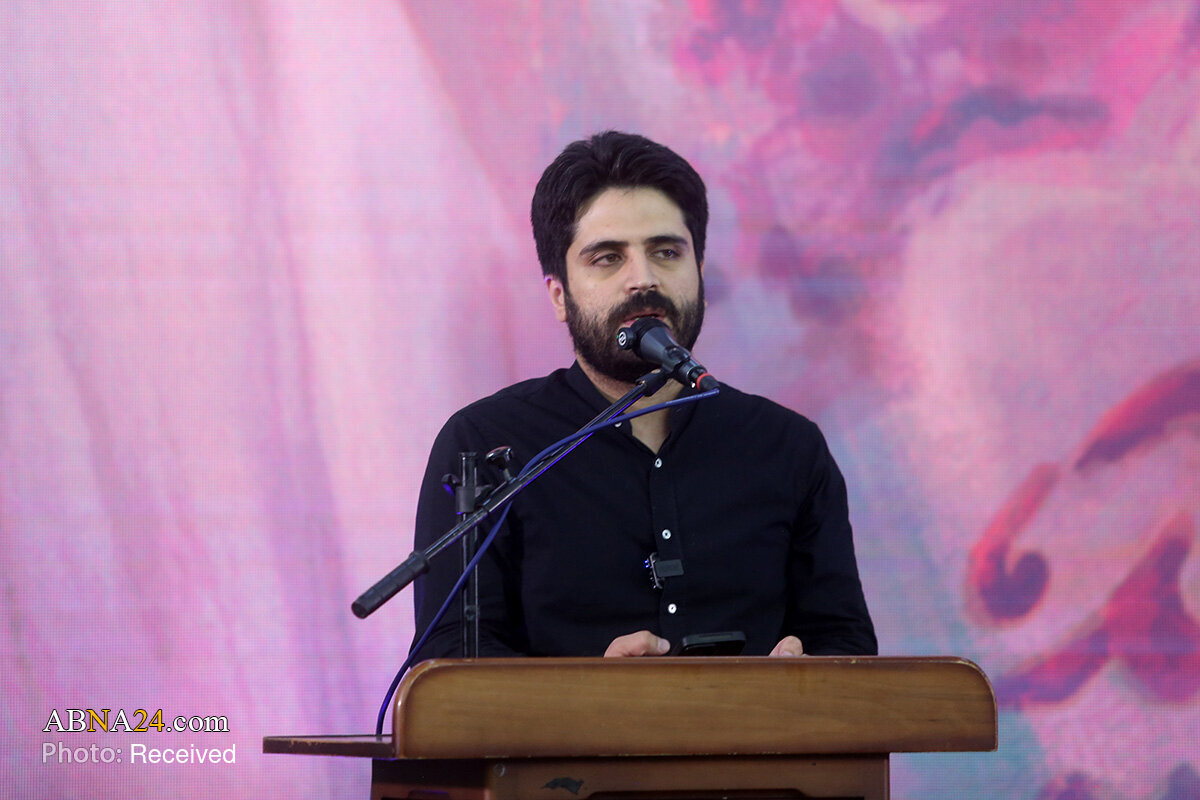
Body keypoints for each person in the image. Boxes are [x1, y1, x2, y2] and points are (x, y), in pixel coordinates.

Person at [410, 131, 876, 660]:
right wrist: (595, 696)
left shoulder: (788, 446)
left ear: (699, 275)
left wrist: (810, 672)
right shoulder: (487, 444)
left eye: (666, 252)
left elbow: (846, 642)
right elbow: (450, 661)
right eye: (608, 258)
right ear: (559, 296)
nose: (644, 279)